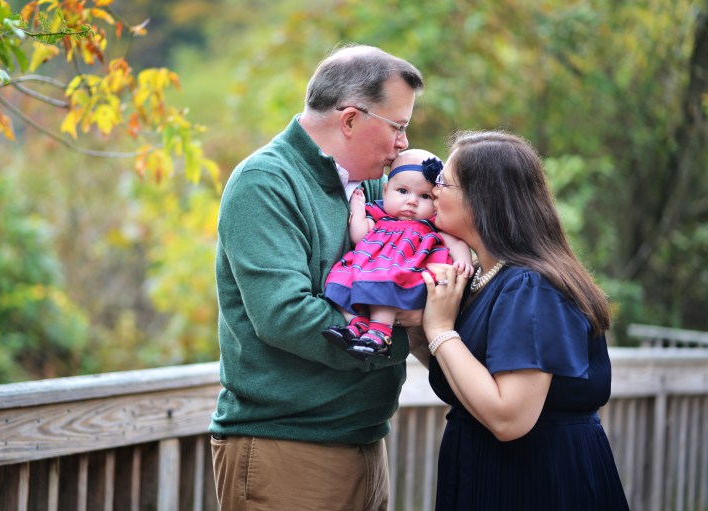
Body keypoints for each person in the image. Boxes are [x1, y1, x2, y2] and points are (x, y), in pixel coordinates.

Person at [209, 44, 424, 511]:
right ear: (350, 120)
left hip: (364, 442)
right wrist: (401, 333)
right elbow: (286, 315)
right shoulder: (265, 182)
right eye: (398, 127)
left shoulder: (372, 189)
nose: (403, 144)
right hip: (288, 448)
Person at [409, 130, 630, 510]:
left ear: (483, 198)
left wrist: (442, 331)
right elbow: (471, 375)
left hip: (536, 481)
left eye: (443, 181)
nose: (433, 189)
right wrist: (421, 332)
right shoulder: (484, 276)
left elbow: (510, 417)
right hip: (484, 470)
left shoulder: (531, 286)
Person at [322, 148, 473, 359]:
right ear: (385, 191)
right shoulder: (379, 216)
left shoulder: (429, 225)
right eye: (402, 191)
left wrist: (464, 261)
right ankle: (358, 324)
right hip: (368, 267)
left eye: (425, 196)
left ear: (437, 202)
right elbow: (359, 235)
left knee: (387, 279)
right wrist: (357, 207)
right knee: (339, 279)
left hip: (403, 270)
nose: (412, 201)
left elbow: (456, 243)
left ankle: (381, 334)